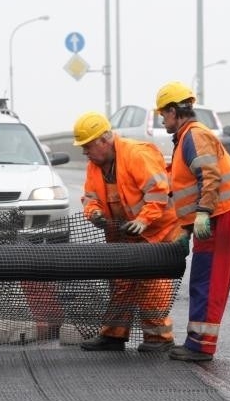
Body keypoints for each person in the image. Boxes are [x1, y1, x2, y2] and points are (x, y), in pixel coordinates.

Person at [155, 81, 230, 362]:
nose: (162, 120)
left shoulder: (195, 136)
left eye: (164, 114)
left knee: (209, 281)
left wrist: (202, 212)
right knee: (202, 278)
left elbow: (209, 177)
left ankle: (201, 346)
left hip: (219, 216)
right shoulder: (187, 137)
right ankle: (197, 343)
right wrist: (187, 228)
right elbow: (190, 185)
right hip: (214, 217)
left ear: (174, 111)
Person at [73, 111, 181, 353]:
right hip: (124, 233)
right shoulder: (96, 166)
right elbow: (90, 197)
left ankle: (159, 339)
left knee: (151, 282)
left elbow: (158, 193)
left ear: (104, 139)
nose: (84, 152)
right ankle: (113, 335)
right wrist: (94, 214)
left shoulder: (136, 154)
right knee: (121, 280)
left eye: (88, 146)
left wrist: (143, 221)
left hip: (156, 231)